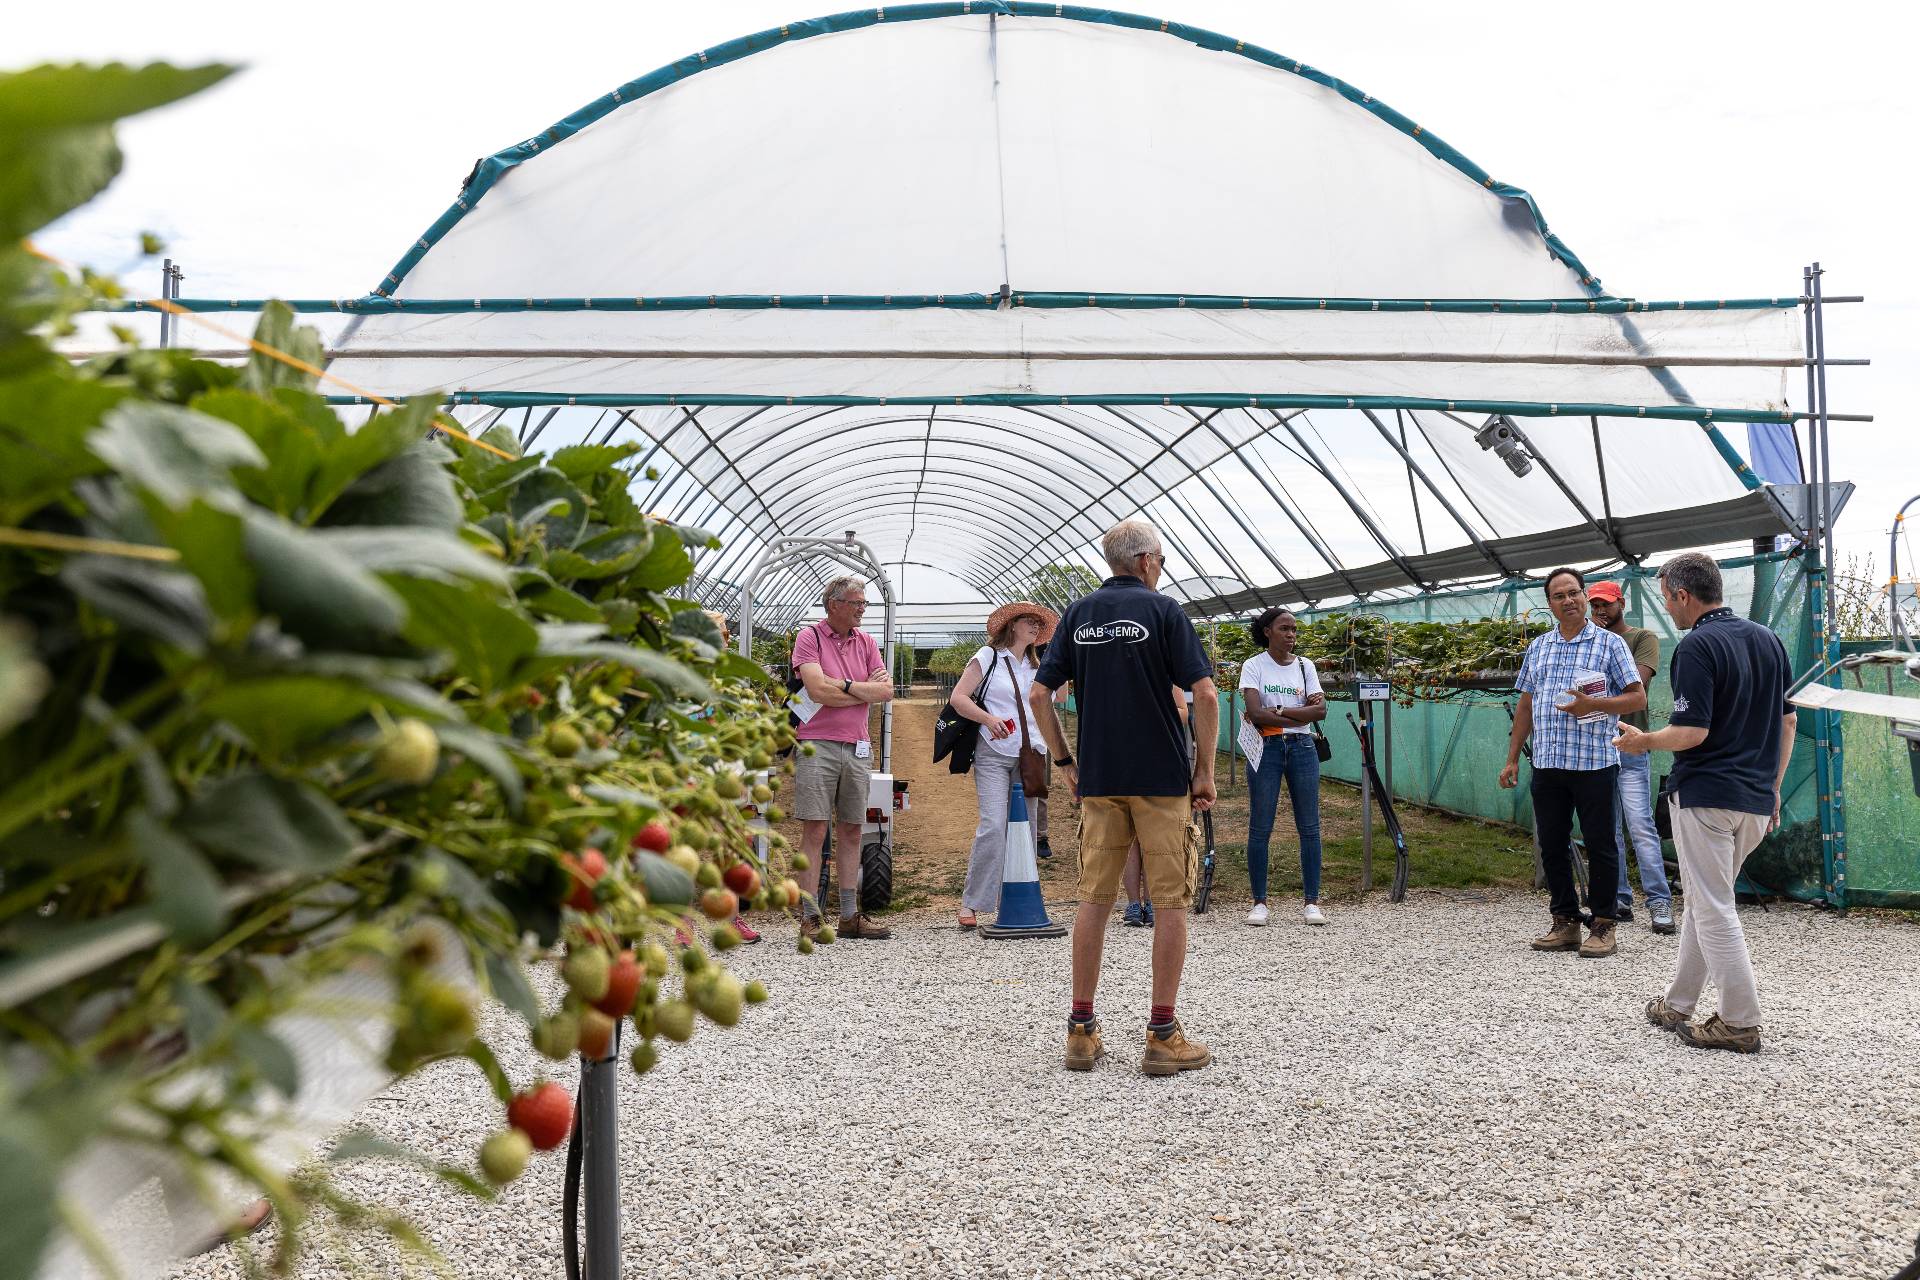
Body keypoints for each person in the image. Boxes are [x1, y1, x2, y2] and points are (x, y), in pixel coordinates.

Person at [1029, 519, 1219, 1076]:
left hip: (1101, 779)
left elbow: (1041, 693)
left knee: (1095, 899)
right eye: (1159, 558)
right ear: (1146, 561)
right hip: (1160, 779)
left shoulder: (1080, 615)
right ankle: (1162, 1033)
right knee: (1169, 903)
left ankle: (1081, 1031)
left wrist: (1065, 761)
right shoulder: (1165, 612)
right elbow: (1204, 693)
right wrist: (1204, 770)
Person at [1618, 553, 1795, 1053]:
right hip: (1756, 799)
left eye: (1665, 597)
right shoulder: (1768, 640)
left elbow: (1692, 732)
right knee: (1702, 898)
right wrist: (1773, 788)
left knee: (1714, 906)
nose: (1666, 609)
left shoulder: (1696, 645)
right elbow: (1788, 722)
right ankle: (1678, 1002)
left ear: (1681, 595)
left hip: (1707, 797)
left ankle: (1740, 1020)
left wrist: (1642, 741)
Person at [1499, 567, 1646, 958]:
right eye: (1559, 595)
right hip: (1548, 763)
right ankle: (1564, 921)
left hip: (1595, 761)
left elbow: (1637, 698)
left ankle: (1603, 924)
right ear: (1550, 604)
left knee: (1601, 844)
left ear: (1584, 597)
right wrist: (1513, 759)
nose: (1568, 600)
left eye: (1574, 593)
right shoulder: (1540, 647)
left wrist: (1594, 704)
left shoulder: (1609, 645)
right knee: (1552, 845)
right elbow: (1526, 704)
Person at [791, 576, 894, 940]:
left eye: (864, 603)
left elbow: (886, 690)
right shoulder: (810, 638)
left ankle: (849, 916)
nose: (863, 609)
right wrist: (861, 691)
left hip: (857, 745)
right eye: (856, 603)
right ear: (834, 604)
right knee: (815, 829)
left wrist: (845, 686)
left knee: (852, 829)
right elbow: (816, 691)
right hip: (816, 744)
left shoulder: (866, 641)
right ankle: (810, 916)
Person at [950, 602, 1058, 929]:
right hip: (994, 752)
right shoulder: (988, 658)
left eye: (1040, 625)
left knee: (1024, 832)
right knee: (994, 826)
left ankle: (1016, 900)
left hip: (1030, 755)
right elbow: (959, 698)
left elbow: (1053, 705)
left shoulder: (1040, 667)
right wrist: (988, 718)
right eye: (1030, 621)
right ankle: (973, 902)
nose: (1036, 628)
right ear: (1011, 625)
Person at [1585, 582, 1675, 934]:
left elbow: (1634, 686)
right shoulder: (1591, 640)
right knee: (1609, 830)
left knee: (1640, 824)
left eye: (1606, 605)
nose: (1600, 612)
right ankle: (1620, 898)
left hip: (1632, 744)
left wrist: (1593, 692)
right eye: (1595, 606)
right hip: (1598, 747)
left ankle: (1659, 901)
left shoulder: (1642, 638)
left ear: (1621, 603)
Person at [1238, 607, 1328, 926]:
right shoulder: (1253, 666)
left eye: (1294, 630)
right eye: (1284, 629)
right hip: (1267, 748)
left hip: (1303, 748)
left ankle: (1312, 902)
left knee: (1310, 826)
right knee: (1261, 825)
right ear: (1267, 631)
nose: (1291, 635)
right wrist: (1297, 711)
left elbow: (1321, 713)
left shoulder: (1305, 666)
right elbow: (1255, 713)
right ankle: (1260, 901)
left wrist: (1276, 709)